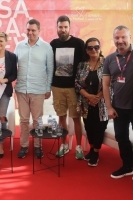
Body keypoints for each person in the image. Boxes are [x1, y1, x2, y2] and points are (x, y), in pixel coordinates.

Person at [14, 19, 53, 159]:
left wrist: (48, 88)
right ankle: (24, 146)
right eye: (28, 30)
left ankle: (38, 146)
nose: (30, 32)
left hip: (38, 90)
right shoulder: (19, 46)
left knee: (37, 120)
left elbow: (50, 69)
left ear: (39, 31)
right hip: (21, 89)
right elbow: (13, 66)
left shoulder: (46, 47)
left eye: (33, 30)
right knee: (23, 120)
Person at [50, 15, 85, 159]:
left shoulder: (79, 43)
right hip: (57, 87)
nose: (63, 30)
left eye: (65, 27)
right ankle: (63, 145)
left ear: (70, 28)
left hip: (74, 89)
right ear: (57, 28)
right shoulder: (52, 44)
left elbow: (84, 67)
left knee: (76, 118)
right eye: (60, 27)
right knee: (61, 117)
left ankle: (78, 147)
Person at [103, 25, 133, 178]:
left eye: (123, 37)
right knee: (122, 138)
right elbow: (106, 85)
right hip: (118, 107)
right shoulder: (109, 59)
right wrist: (109, 107)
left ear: (129, 37)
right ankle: (128, 166)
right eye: (117, 38)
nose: (120, 40)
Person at [75, 38, 108, 166]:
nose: (93, 50)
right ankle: (91, 148)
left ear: (100, 48)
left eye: (96, 47)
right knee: (89, 127)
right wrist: (88, 96)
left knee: (99, 128)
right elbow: (77, 83)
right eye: (90, 48)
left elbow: (110, 84)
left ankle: (96, 152)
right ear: (86, 50)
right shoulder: (82, 65)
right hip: (85, 102)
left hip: (102, 104)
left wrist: (97, 97)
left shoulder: (106, 63)